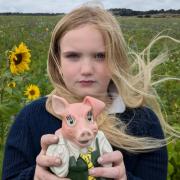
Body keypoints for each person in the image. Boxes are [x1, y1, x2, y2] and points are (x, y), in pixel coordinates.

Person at [2, 3, 180, 180]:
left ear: (115, 60)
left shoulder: (144, 123)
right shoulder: (31, 118)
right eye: (73, 56)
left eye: (100, 56)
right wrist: (35, 175)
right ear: (58, 62)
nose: (86, 69)